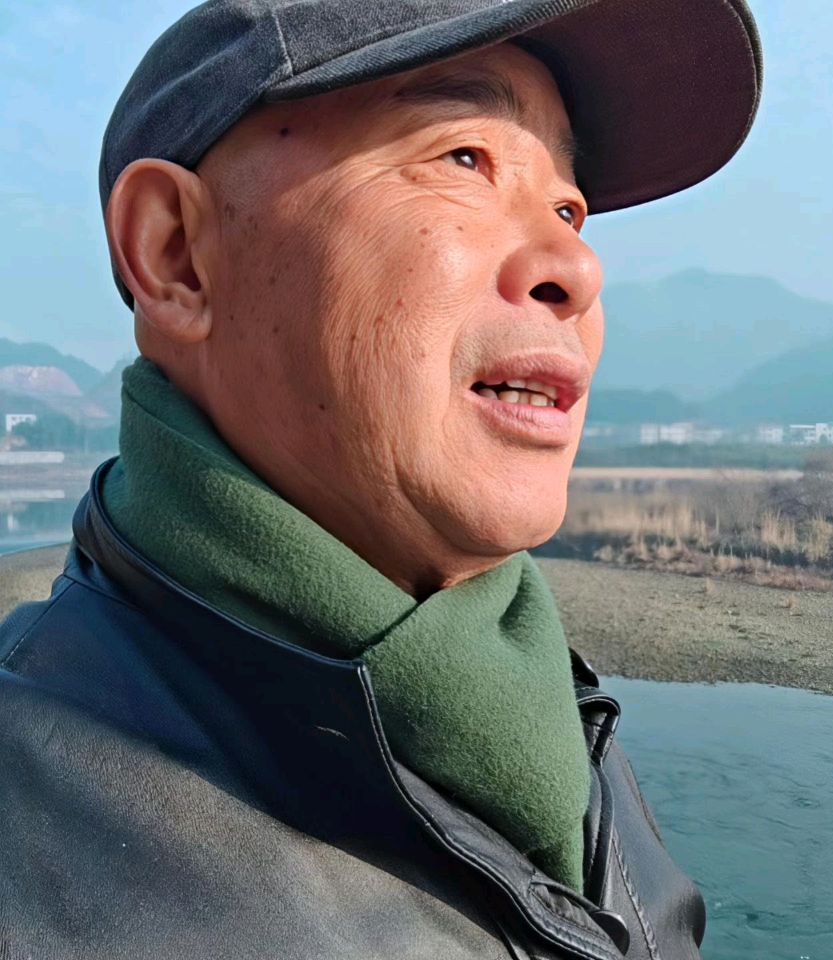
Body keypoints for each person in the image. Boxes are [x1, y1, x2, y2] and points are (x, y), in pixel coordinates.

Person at [0, 1, 761, 957]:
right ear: (176, 255)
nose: (576, 265)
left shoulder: (549, 718)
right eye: (464, 159)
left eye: (568, 206)